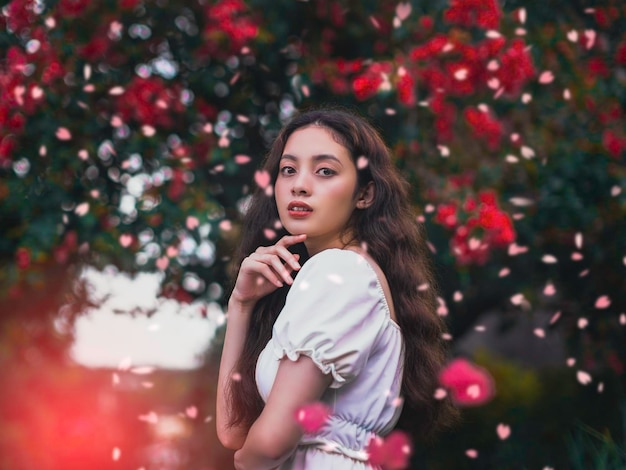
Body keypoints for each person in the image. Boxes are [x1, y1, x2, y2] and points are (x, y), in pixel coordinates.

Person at [216, 108, 456, 469]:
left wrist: (245, 461)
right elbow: (234, 431)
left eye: (325, 170)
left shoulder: (338, 272)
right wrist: (241, 303)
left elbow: (267, 444)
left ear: (365, 194)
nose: (300, 184)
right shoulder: (337, 277)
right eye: (288, 169)